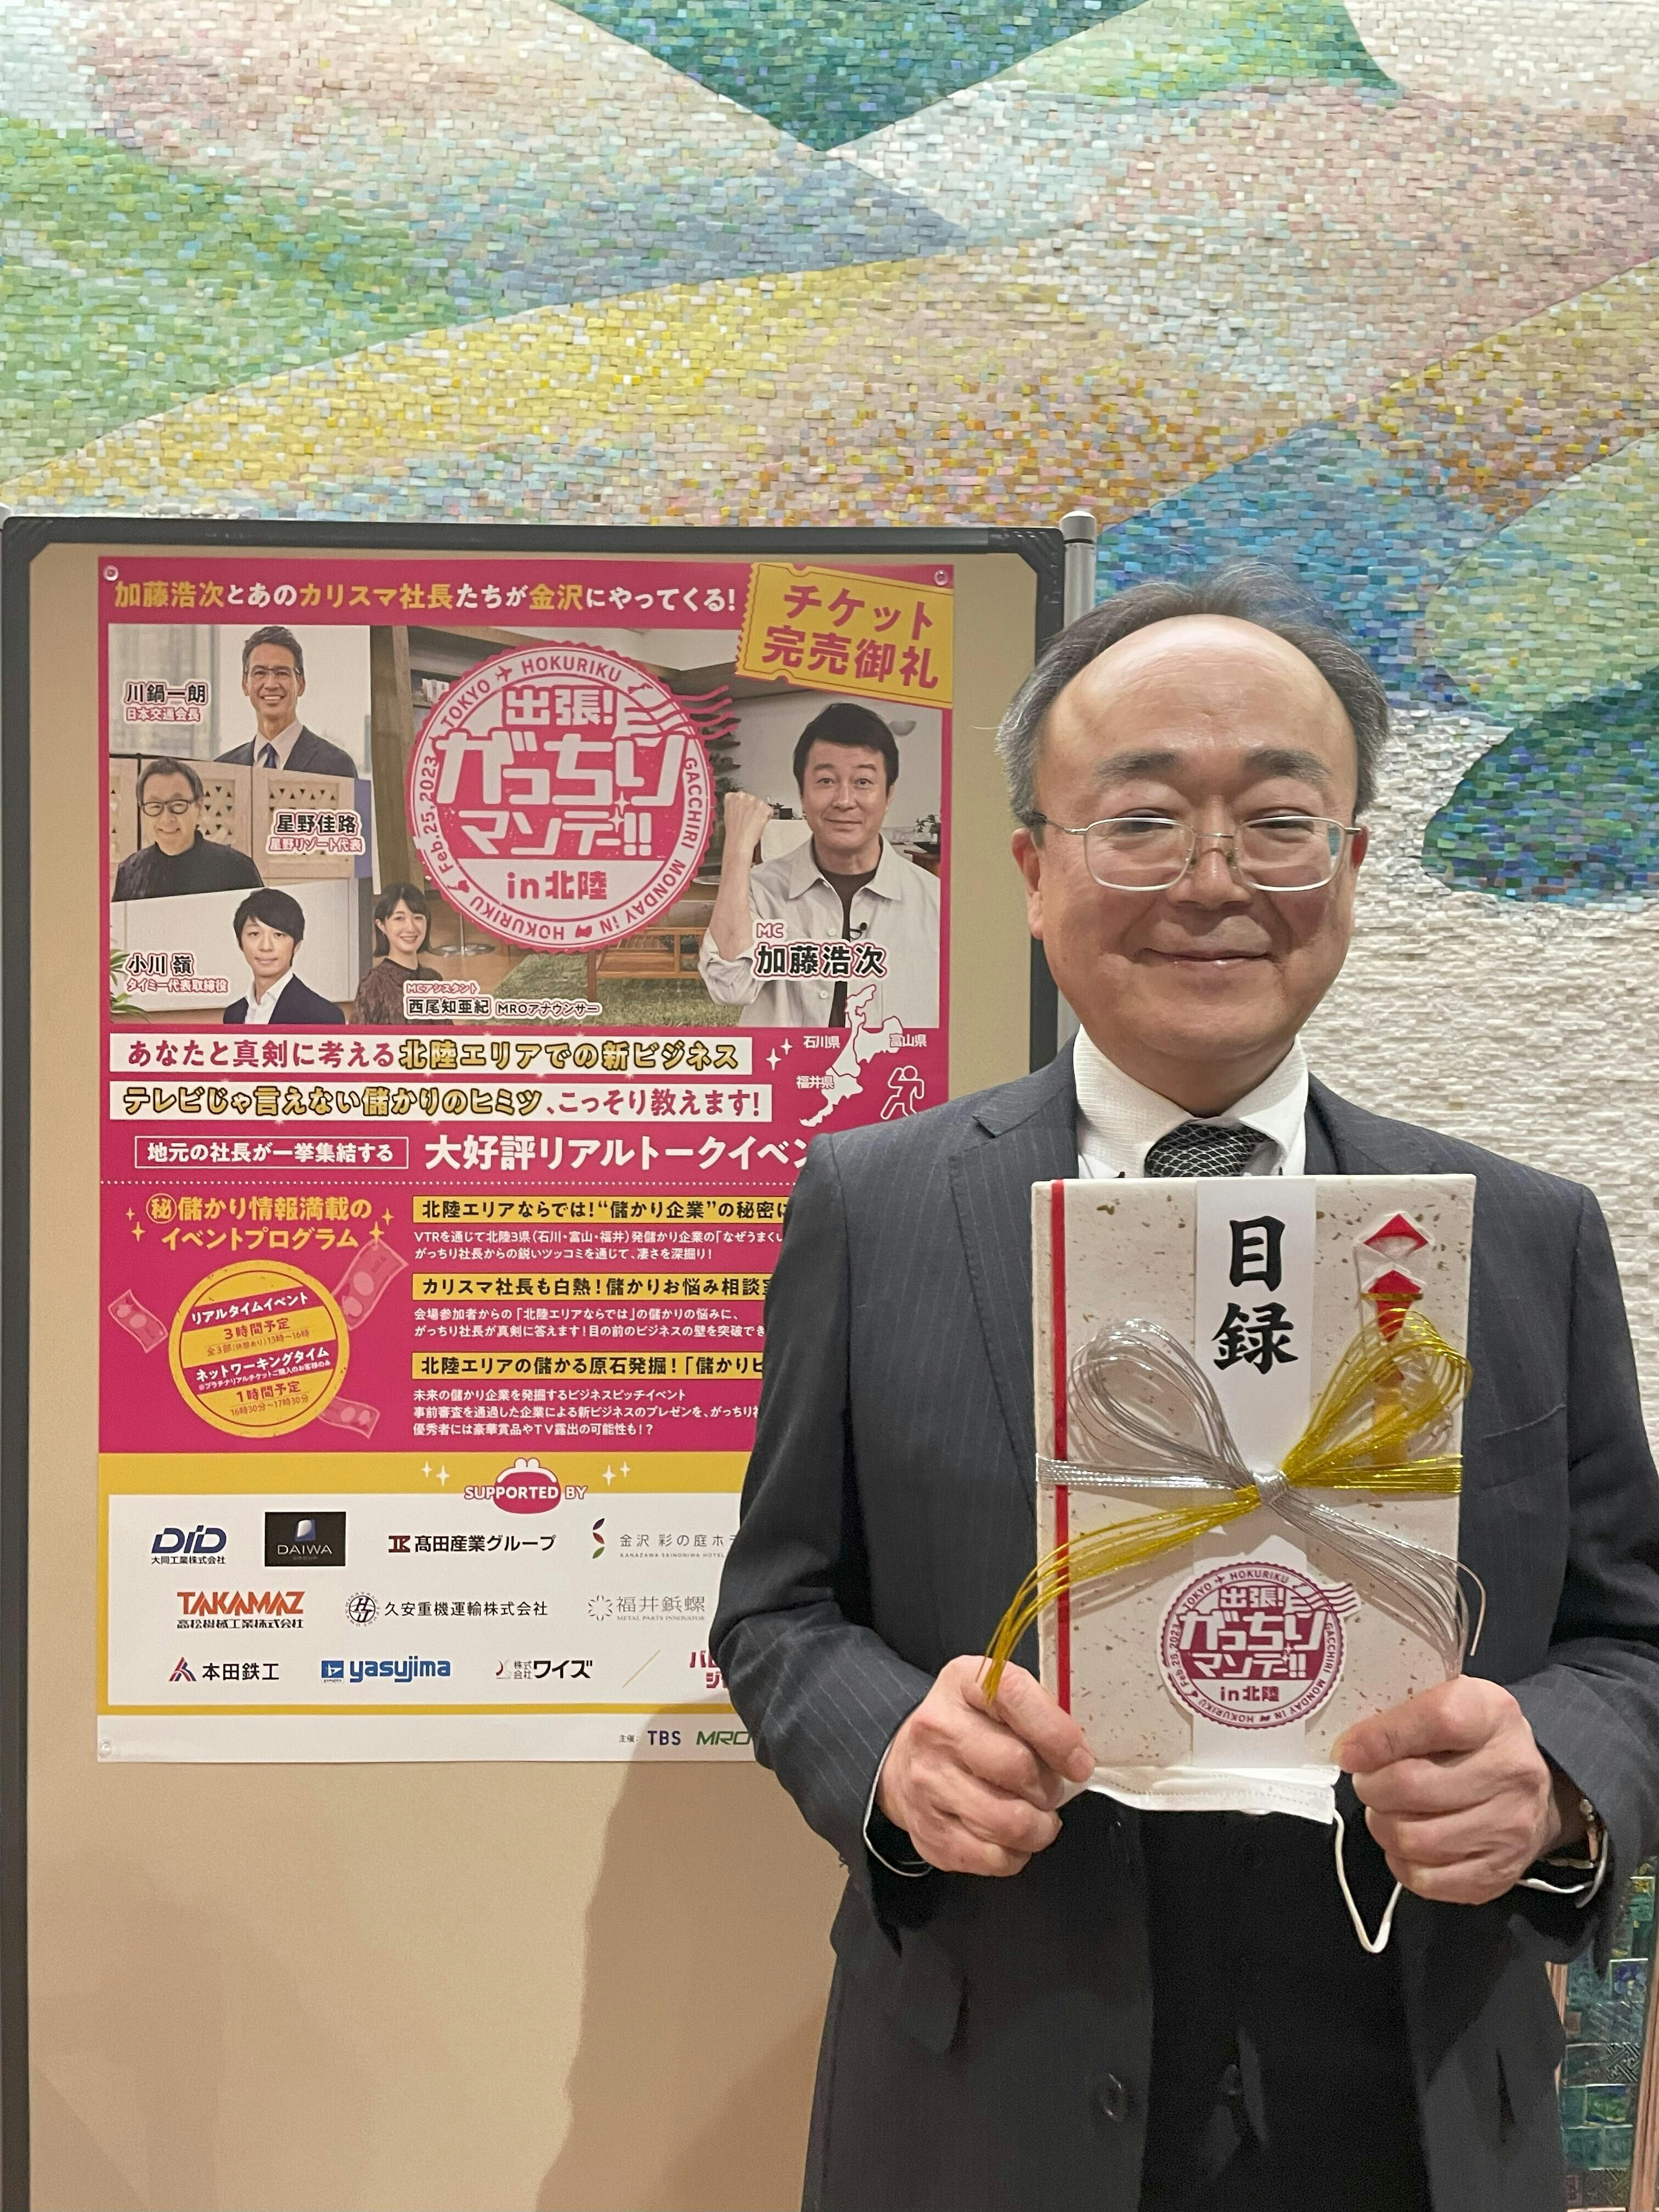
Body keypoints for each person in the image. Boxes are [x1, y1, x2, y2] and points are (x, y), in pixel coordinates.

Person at [713, 564, 1659, 2212]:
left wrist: (1560, 1781)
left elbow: (1631, 1636)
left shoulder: (1523, 1236)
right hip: (991, 2095)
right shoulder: (876, 1208)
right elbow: (780, 1608)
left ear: (1350, 864)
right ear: (1033, 869)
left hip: (1418, 2103)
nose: (1213, 881)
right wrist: (891, 1760)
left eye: (1279, 822)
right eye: (1142, 821)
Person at [698, 701, 940, 1029]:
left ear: (889, 795)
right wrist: (738, 850)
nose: (844, 801)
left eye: (863, 782)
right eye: (826, 781)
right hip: (783, 1063)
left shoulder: (935, 902)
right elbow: (729, 988)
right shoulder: (762, 889)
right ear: (802, 794)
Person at [216, 625, 359, 777]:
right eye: (260, 673)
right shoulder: (222, 769)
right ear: (245, 684)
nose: (271, 684)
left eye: (282, 673)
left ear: (301, 684)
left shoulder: (338, 766)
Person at [112, 757, 263, 900]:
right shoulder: (129, 872)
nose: (166, 819)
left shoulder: (238, 868)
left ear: (199, 807)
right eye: (155, 806)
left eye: (178, 805)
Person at [223, 887, 344, 1026]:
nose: (266, 946)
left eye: (279, 935)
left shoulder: (323, 1016)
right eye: (255, 934)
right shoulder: (233, 1015)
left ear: (297, 945)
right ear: (240, 942)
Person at [351, 883, 442, 1024]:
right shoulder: (374, 984)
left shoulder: (433, 979)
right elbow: (358, 1036)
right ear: (381, 925)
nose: (411, 928)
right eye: (399, 918)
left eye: (418, 917)